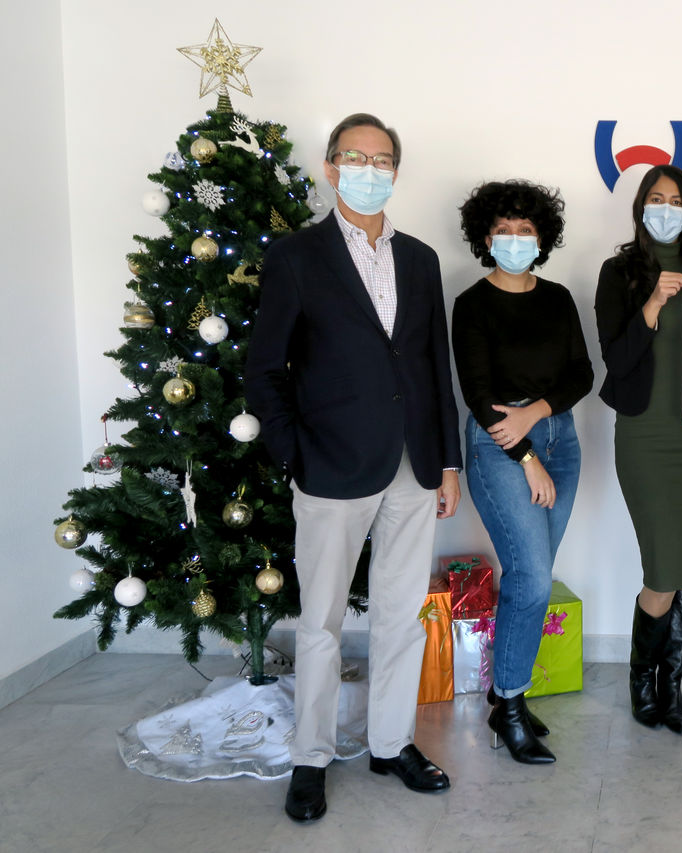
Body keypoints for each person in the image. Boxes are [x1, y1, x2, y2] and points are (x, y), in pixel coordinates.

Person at [245, 113, 460, 822]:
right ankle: (310, 757)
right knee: (321, 622)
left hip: (413, 463)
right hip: (331, 466)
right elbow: (264, 369)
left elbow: (434, 367)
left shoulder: (421, 259)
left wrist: (448, 461)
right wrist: (294, 455)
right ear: (332, 167)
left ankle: (390, 743)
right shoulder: (296, 256)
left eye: (383, 159)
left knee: (401, 616)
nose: (370, 170)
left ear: (396, 171)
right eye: (356, 158)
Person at [452, 180, 593, 764]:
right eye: (503, 230)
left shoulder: (558, 298)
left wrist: (538, 414)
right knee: (532, 580)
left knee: (530, 579)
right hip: (500, 447)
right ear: (486, 239)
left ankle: (505, 694)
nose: (514, 239)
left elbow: (582, 374)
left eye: (525, 230)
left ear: (542, 238)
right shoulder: (472, 304)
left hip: (562, 440)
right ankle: (509, 706)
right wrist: (527, 456)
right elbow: (478, 393)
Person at [595, 164, 682, 735]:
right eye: (656, 198)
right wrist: (651, 304)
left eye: (675, 200)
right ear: (640, 207)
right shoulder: (618, 273)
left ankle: (670, 689)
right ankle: (640, 684)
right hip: (645, 437)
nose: (665, 209)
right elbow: (617, 359)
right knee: (663, 568)